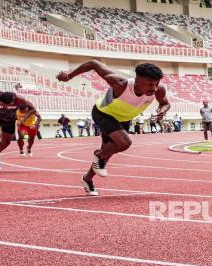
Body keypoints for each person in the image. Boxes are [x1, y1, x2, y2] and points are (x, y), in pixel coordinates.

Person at [57, 60, 170, 196]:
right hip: (104, 113)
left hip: (123, 119)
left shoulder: (159, 89)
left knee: (108, 151)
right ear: (137, 80)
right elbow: (93, 63)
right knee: (123, 143)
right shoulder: (120, 84)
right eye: (149, 83)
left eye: (156, 83)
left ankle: (87, 178)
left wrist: (162, 110)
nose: (154, 87)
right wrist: (69, 76)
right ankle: (99, 155)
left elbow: (165, 103)